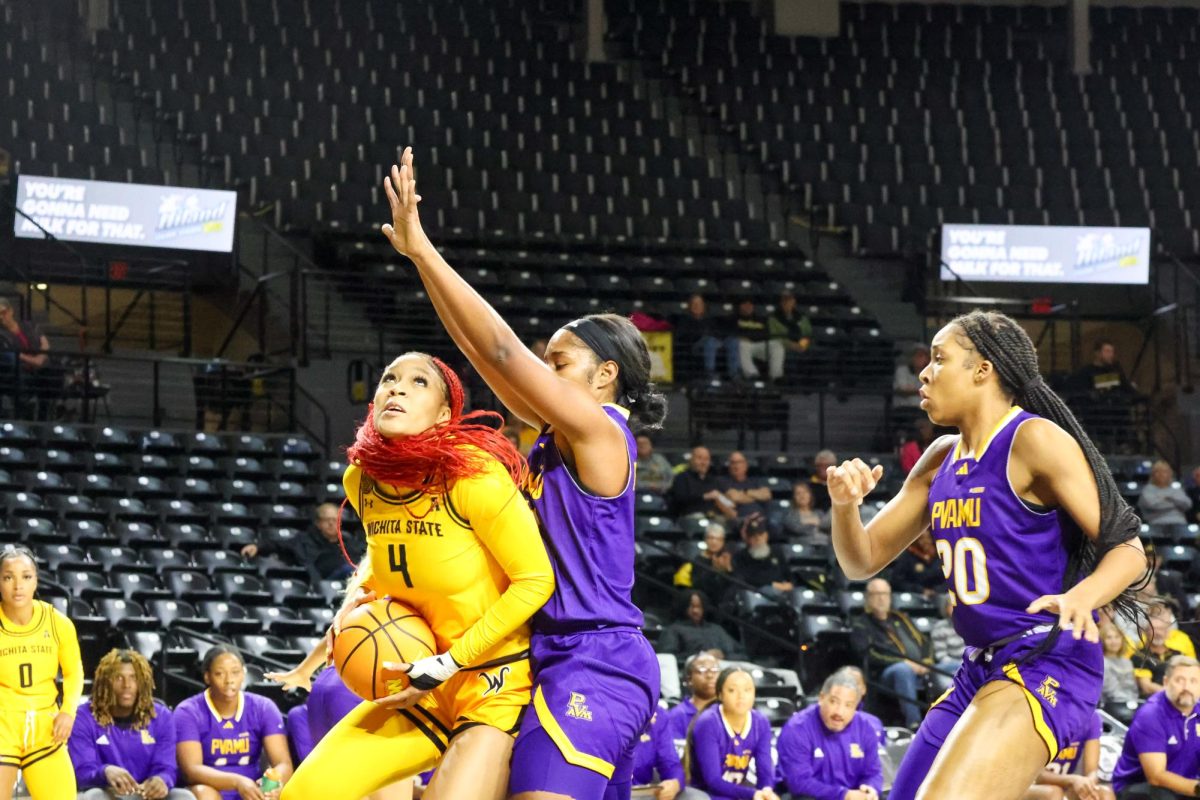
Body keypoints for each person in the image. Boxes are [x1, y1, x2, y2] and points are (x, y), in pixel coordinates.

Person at [380, 147, 667, 800]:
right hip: (548, 657)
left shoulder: (603, 433)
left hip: (597, 659)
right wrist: (419, 263)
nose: (544, 371)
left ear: (606, 375)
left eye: (558, 363)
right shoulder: (553, 436)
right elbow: (483, 350)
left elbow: (505, 349)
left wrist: (425, 250)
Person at [829, 310, 1150, 800]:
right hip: (979, 665)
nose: (924, 372)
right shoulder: (939, 458)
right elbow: (861, 560)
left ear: (983, 370)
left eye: (940, 359)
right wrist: (845, 507)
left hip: (1048, 657)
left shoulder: (1032, 440)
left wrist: (1083, 596)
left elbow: (1129, 550)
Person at [282, 352, 555, 800]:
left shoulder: (474, 475)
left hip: (490, 682)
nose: (397, 387)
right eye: (388, 378)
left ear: (445, 414)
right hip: (414, 682)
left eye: (418, 382)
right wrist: (357, 601)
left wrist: (450, 662)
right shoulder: (362, 479)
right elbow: (389, 558)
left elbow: (535, 580)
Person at [266, 643, 412, 800]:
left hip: (328, 680)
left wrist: (305, 670)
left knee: (339, 789)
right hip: (372, 680)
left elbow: (337, 629)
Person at [0, 545, 82, 800]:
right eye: (8, 577)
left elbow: (73, 672)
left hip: (45, 725)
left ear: (36, 580)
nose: (17, 586)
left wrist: (68, 711)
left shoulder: (58, 622)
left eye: (26, 576)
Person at [69, 649, 191, 800]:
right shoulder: (84, 717)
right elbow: (82, 772)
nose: (127, 685)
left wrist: (162, 780)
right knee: (92, 796)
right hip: (108, 792)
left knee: (183, 796)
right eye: (118, 678)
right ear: (105, 682)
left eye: (133, 678)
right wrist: (105, 772)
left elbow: (167, 767)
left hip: (146, 794)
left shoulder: (161, 716)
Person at [175, 646, 292, 800]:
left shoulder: (263, 707)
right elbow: (191, 771)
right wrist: (237, 782)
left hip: (252, 788)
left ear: (244, 674)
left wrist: (269, 785)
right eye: (219, 673)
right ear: (207, 677)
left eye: (235, 672)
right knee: (204, 794)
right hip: (210, 787)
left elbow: (283, 763)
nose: (229, 680)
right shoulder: (188, 711)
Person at [776, 671, 883, 800]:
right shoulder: (797, 728)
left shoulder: (865, 728)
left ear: (856, 707)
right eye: (834, 702)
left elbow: (873, 772)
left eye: (848, 705)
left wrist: (870, 788)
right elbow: (799, 783)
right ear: (821, 698)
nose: (839, 712)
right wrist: (844, 795)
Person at [1110, 656, 1200, 799]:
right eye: (1180, 680)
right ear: (1165, 682)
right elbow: (1156, 776)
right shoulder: (1151, 715)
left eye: (1193, 681)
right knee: (1162, 795)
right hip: (1138, 786)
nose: (1187, 687)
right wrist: (1197, 789)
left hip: (1186, 785)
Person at [851, 577, 933, 729]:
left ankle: (956, 720)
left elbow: (925, 641)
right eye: (876, 594)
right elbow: (868, 654)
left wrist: (927, 662)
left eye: (885, 594)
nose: (881, 598)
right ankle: (914, 723)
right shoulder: (861, 624)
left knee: (956, 666)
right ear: (868, 598)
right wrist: (904, 663)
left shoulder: (901, 618)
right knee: (903, 670)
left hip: (922, 668)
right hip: (884, 675)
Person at [686, 667, 777, 800]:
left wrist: (766, 791)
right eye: (732, 690)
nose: (741, 696)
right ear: (720, 695)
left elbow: (765, 771)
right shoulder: (708, 723)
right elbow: (713, 781)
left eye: (747, 690)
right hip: (706, 794)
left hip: (739, 793)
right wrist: (753, 795)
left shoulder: (760, 722)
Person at [240, 503, 363, 583]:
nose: (331, 524)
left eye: (335, 520)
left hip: (348, 586)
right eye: (327, 520)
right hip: (322, 582)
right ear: (318, 523)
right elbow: (279, 545)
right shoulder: (304, 540)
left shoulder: (349, 543)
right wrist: (257, 546)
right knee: (350, 569)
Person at [1024, 711, 1112, 800]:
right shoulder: (1044, 711)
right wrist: (1072, 780)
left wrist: (1088, 784)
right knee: (1053, 794)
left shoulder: (1092, 717)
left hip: (1065, 784)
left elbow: (1092, 771)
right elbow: (1037, 775)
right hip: (1027, 784)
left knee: (1105, 794)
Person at [0, 298, 59, 420]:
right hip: (20, 369)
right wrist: (34, 361)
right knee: (20, 377)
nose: (1, 317)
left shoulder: (29, 325)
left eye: (3, 312)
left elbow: (45, 344)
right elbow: (12, 354)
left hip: (41, 365)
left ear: (11, 311)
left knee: (52, 372)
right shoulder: (1, 334)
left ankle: (46, 415)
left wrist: (40, 358)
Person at [658, 592, 746, 663]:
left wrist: (724, 655)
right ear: (683, 607)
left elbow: (743, 654)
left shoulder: (716, 629)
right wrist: (701, 656)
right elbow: (667, 659)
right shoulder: (674, 630)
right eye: (692, 606)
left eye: (699, 607)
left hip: (724, 668)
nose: (695, 611)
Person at [673, 293, 737, 381]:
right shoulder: (685, 320)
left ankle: (734, 374)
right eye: (694, 304)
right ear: (690, 306)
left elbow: (718, 332)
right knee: (710, 341)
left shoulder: (711, 319)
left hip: (715, 342)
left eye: (699, 304)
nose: (697, 306)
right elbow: (683, 336)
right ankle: (710, 373)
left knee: (732, 341)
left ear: (704, 306)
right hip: (695, 345)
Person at [730, 514, 793, 600]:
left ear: (766, 536)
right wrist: (772, 584)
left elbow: (787, 573)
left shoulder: (777, 552)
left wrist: (790, 584)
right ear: (748, 539)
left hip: (783, 589)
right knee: (769, 591)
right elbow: (745, 578)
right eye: (753, 536)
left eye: (760, 534)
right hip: (757, 593)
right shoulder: (741, 556)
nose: (758, 539)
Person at [631, 704, 686, 800]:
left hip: (642, 792)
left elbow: (671, 764)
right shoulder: (604, 712)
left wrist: (674, 784)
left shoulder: (659, 716)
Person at [673, 523, 735, 605]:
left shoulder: (728, 558)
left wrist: (729, 570)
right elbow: (697, 586)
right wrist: (713, 571)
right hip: (704, 601)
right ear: (705, 539)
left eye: (719, 539)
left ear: (723, 541)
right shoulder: (696, 561)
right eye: (711, 538)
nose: (714, 542)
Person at [665, 653, 720, 742]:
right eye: (702, 670)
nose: (710, 675)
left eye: (715, 669)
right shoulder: (677, 716)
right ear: (689, 679)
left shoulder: (729, 711)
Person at [667, 446, 725, 520]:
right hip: (689, 518)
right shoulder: (682, 477)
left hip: (713, 517)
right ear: (691, 460)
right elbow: (680, 499)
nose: (703, 462)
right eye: (699, 458)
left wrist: (724, 499)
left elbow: (726, 501)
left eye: (706, 459)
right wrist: (704, 496)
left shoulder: (714, 479)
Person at [731, 298, 782, 382]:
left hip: (759, 345)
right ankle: (752, 375)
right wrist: (740, 337)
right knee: (741, 343)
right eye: (745, 304)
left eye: (750, 304)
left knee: (777, 344)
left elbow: (767, 334)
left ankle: (776, 376)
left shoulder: (761, 319)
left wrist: (753, 338)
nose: (748, 306)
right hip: (744, 345)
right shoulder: (734, 319)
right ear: (740, 306)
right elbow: (730, 332)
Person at [767, 289, 813, 383]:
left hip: (802, 345)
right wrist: (791, 345)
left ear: (794, 302)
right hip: (784, 347)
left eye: (789, 300)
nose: (787, 302)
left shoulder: (802, 317)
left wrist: (802, 345)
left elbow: (807, 333)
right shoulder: (773, 318)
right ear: (780, 302)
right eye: (784, 300)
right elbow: (774, 336)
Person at [1101, 623, 1140, 724]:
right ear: (1102, 640)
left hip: (1130, 705)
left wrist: (1133, 704)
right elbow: (1111, 692)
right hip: (1110, 707)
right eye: (1109, 638)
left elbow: (1133, 689)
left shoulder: (1127, 662)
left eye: (1117, 637)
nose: (1114, 641)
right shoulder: (1101, 662)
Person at [715, 452, 771, 522]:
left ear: (745, 465)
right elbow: (733, 497)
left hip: (761, 518)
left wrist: (745, 492)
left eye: (739, 462)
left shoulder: (754, 480)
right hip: (740, 519)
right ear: (729, 466)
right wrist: (756, 496)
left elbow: (767, 495)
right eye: (733, 463)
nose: (736, 466)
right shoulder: (722, 481)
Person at [928, 593, 966, 694]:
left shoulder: (969, 625)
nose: (955, 607)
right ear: (945, 608)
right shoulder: (939, 627)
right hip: (949, 667)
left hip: (967, 665)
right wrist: (961, 665)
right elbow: (941, 656)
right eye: (951, 604)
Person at [887, 530, 943, 597]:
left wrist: (937, 590)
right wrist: (920, 590)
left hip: (940, 596)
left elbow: (950, 579)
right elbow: (897, 581)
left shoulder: (941, 554)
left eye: (928, 538)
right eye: (921, 538)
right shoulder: (907, 556)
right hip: (913, 596)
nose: (925, 542)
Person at [1137, 461, 1192, 528]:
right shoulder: (1147, 490)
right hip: (1156, 523)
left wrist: (1167, 499)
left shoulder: (1176, 488)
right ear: (1153, 474)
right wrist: (1175, 503)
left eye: (1164, 472)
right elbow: (1152, 505)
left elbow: (1187, 504)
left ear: (1170, 474)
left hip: (1179, 523)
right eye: (1158, 471)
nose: (1161, 474)